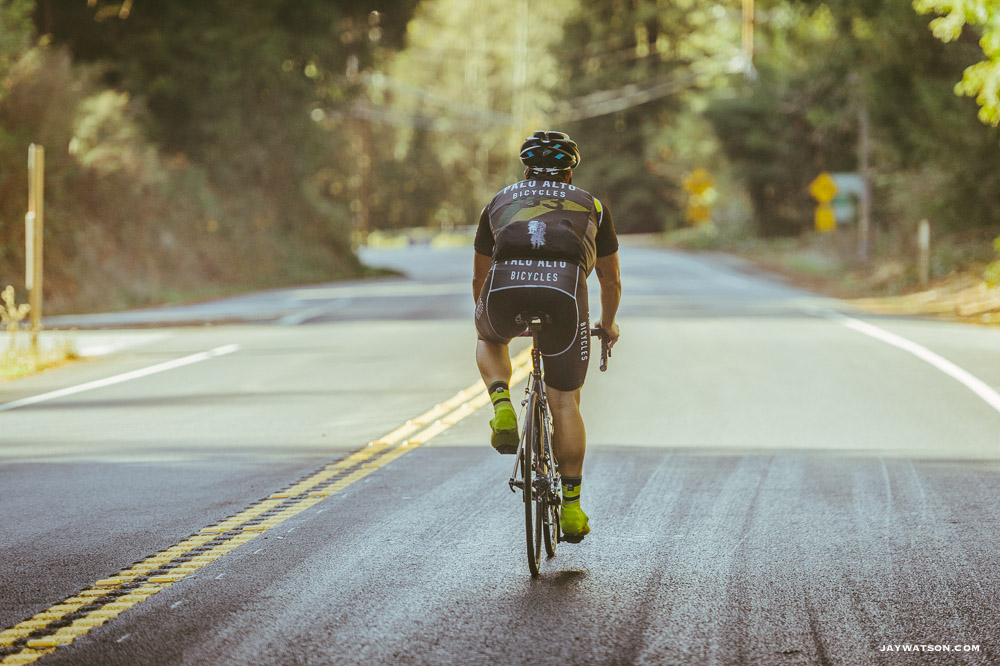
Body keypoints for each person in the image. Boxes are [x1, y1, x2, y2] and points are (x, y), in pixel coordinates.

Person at [472, 130, 621, 542]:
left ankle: (502, 404)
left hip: (504, 290)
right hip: (566, 298)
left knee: (489, 339)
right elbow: (611, 280)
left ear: (526, 170)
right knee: (565, 402)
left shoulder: (499, 201)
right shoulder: (593, 206)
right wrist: (608, 325)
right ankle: (571, 510)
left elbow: (480, 275)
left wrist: (485, 316)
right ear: (569, 173)